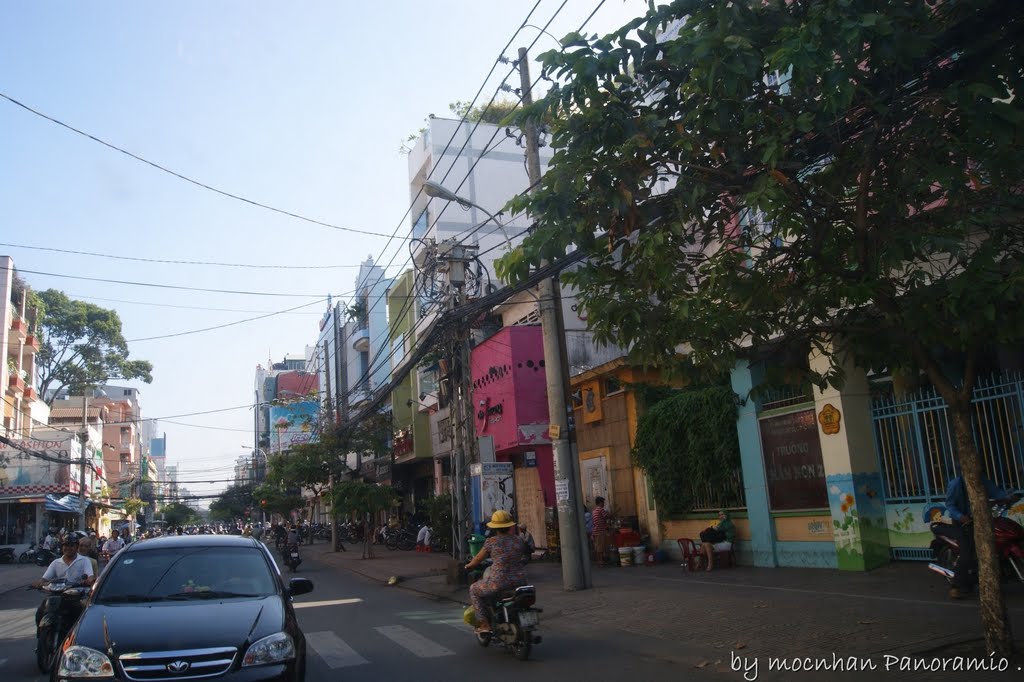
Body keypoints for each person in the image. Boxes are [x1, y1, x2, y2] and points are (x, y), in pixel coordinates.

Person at [933, 474, 1019, 599]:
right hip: (963, 523)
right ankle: (956, 586)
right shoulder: (956, 484)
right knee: (967, 553)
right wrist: (960, 516)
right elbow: (950, 504)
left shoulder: (982, 479)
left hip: (982, 520)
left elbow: (996, 493)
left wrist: (1007, 498)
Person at [465, 510, 527, 635]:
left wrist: (468, 565)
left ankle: (484, 624)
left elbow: (477, 559)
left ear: (495, 527)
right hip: (520, 581)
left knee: (474, 589)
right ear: (509, 525)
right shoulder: (518, 540)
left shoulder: (491, 542)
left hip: (498, 583)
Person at [31, 535, 95, 626]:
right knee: (40, 613)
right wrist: (39, 583)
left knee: (83, 615)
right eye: (66, 545)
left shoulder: (84, 561)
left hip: (75, 595)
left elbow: (90, 576)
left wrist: (88, 580)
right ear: (62, 547)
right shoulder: (56, 562)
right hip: (56, 594)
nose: (68, 548)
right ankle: (41, 636)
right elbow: (45, 578)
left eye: (71, 546)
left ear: (76, 547)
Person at [591, 497, 610, 565]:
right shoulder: (600, 509)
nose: (604, 504)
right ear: (600, 503)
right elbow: (607, 516)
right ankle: (600, 561)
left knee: (597, 547)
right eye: (603, 502)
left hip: (595, 531)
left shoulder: (594, 510)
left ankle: (599, 561)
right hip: (600, 531)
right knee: (601, 547)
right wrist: (609, 513)